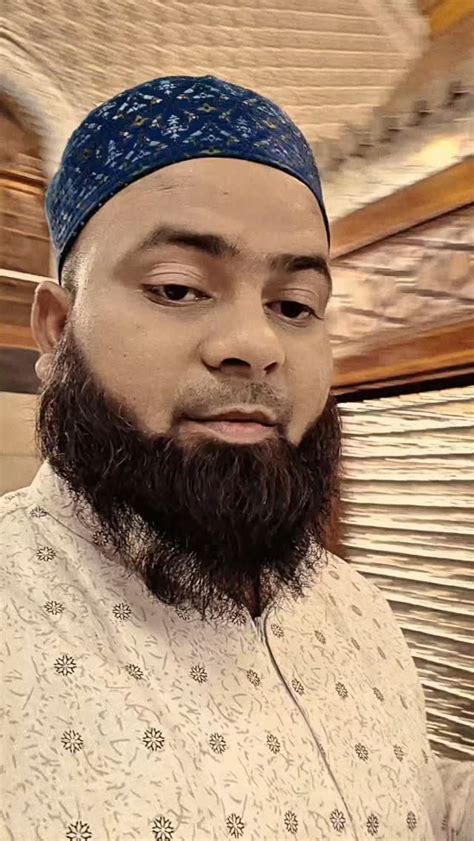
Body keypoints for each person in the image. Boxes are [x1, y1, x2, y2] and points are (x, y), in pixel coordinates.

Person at [0, 75, 472, 841]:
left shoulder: (357, 608)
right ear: (57, 330)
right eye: (178, 288)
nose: (256, 345)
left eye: (293, 306)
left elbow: (406, 793)